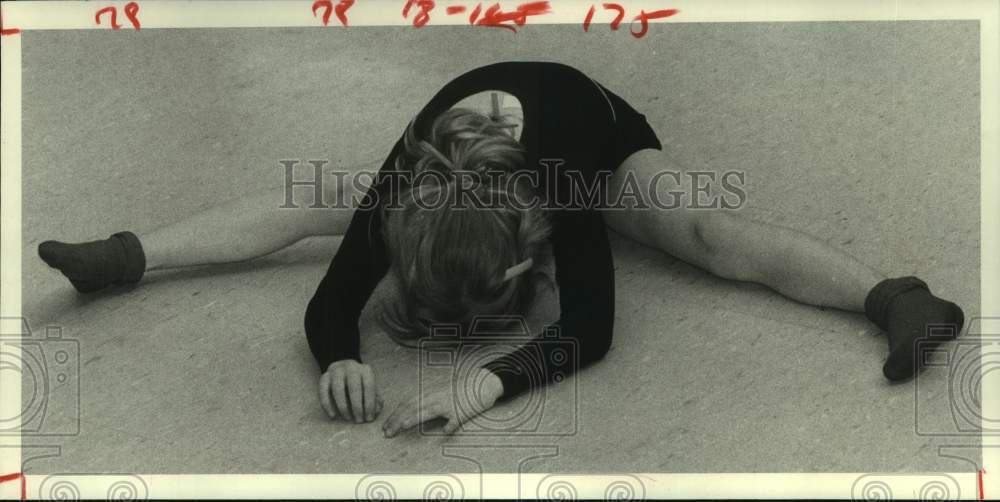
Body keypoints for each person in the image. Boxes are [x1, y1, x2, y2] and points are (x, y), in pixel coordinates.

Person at [37, 61, 965, 438]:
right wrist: (340, 357)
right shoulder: (406, 187)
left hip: (592, 127)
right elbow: (332, 300)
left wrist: (487, 382)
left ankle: (895, 295)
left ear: (533, 256)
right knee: (317, 195)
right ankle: (127, 255)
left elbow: (591, 327)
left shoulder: (565, 192)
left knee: (701, 231)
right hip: (466, 162)